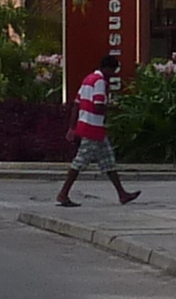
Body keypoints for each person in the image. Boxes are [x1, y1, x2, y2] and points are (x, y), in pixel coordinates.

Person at [56, 62, 137, 208]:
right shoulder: (100, 82)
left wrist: (72, 127)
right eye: (113, 70)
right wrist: (114, 108)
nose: (113, 74)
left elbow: (76, 104)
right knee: (79, 162)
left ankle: (122, 194)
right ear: (106, 68)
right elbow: (98, 106)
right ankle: (63, 193)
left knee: (108, 161)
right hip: (92, 128)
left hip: (90, 127)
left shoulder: (88, 79)